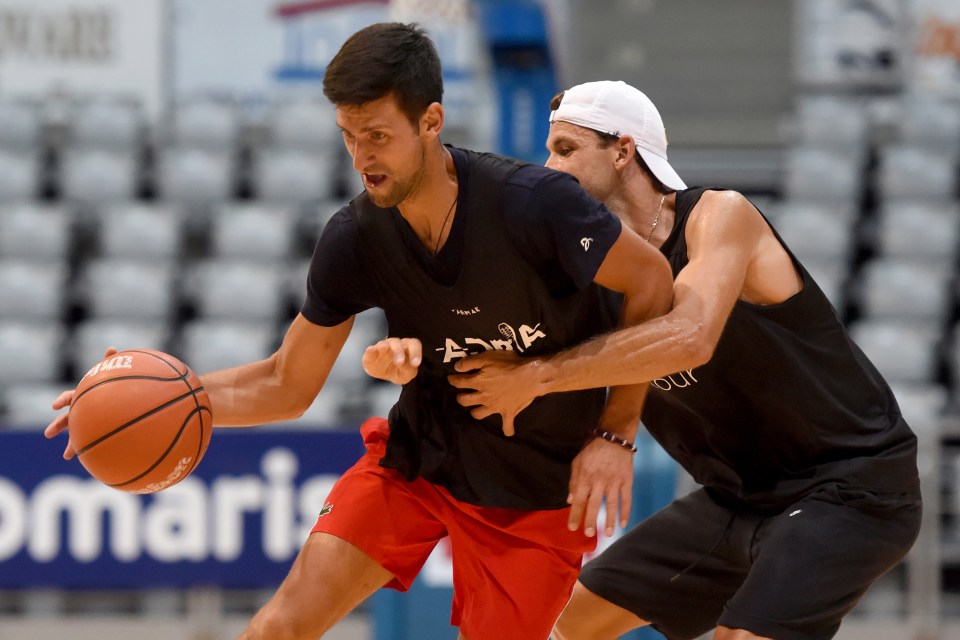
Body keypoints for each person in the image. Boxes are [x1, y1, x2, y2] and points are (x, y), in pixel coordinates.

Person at [45, 29, 673, 640]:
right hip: (418, 463)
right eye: (348, 137)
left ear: (431, 121)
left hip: (536, 494)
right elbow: (286, 384)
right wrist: (152, 398)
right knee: (279, 629)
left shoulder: (534, 204)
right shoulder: (354, 239)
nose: (361, 158)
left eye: (377, 136)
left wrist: (615, 433)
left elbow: (652, 282)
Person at [447, 80, 923, 640]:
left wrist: (538, 377)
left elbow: (687, 338)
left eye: (566, 149)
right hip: (737, 497)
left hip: (851, 487)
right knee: (553, 624)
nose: (548, 166)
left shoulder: (718, 216)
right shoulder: (588, 270)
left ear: (623, 152)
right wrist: (411, 350)